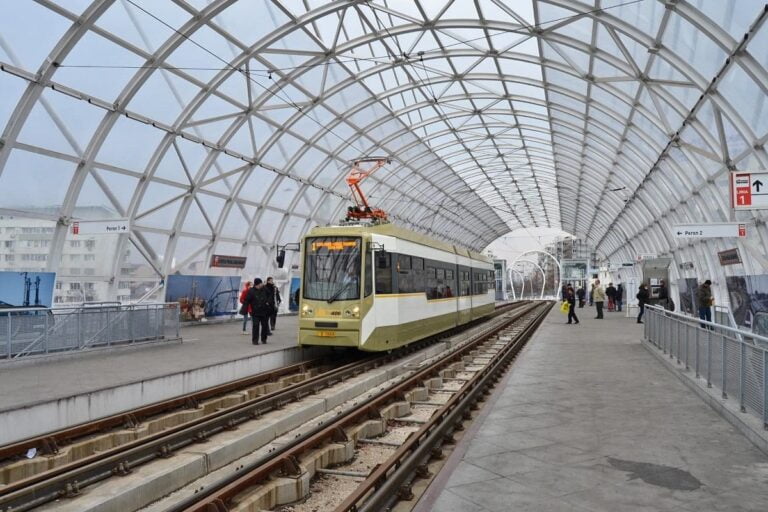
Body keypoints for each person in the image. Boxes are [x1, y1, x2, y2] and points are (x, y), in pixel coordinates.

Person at [245, 278, 274, 345]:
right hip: (255, 312)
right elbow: (247, 300)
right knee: (255, 326)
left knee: (264, 326)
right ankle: (255, 341)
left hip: (264, 312)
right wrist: (246, 309)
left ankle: (264, 339)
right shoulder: (251, 291)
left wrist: (268, 302)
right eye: (261, 283)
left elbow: (270, 295)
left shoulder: (265, 289)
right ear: (258, 284)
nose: (262, 284)